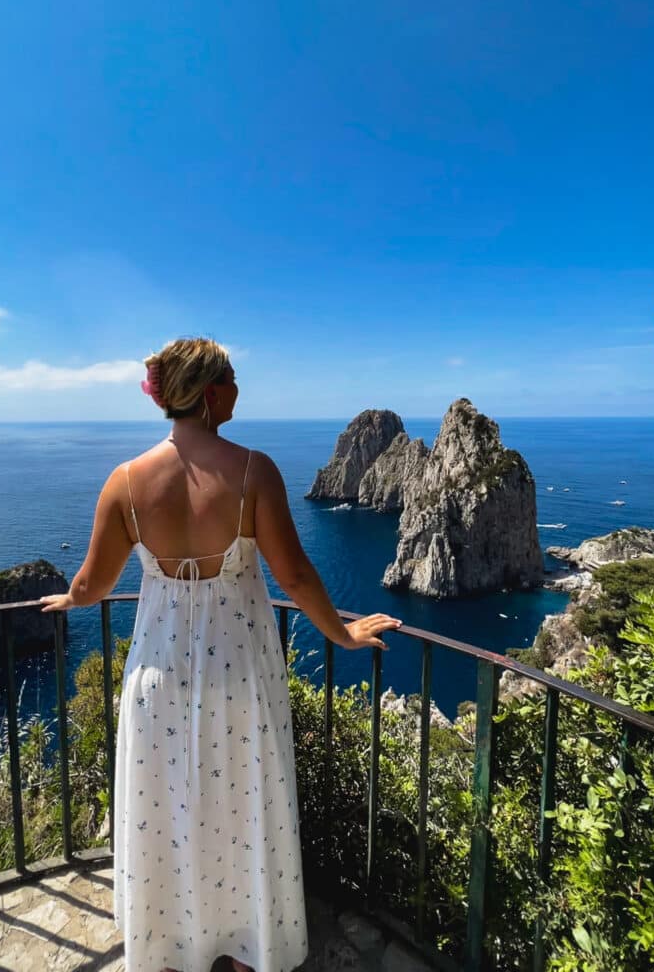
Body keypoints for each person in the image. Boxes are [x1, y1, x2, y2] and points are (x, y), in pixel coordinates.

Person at [40, 337, 401, 972]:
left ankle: (173, 945)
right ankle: (241, 947)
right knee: (240, 805)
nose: (239, 388)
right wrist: (341, 634)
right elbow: (294, 575)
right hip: (239, 671)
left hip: (158, 674)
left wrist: (69, 600)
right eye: (232, 378)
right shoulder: (252, 472)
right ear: (210, 394)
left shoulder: (125, 482)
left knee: (169, 808)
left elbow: (93, 584)